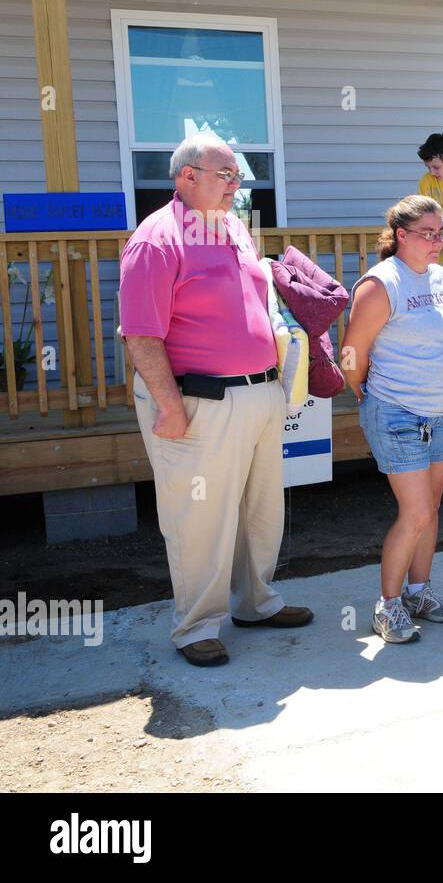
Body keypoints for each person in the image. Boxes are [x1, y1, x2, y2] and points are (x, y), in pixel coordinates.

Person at [119, 133, 312, 667]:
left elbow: (259, 303)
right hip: (198, 400)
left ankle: (256, 602)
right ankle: (196, 626)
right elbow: (141, 336)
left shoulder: (233, 228)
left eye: (238, 174)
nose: (238, 184)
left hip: (259, 393)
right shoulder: (157, 240)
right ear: (187, 177)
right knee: (198, 517)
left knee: (260, 511)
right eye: (226, 174)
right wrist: (170, 406)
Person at [342, 195, 443, 644]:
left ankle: (418, 591)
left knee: (430, 510)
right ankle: (388, 606)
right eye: (427, 233)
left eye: (441, 233)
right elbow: (352, 354)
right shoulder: (380, 284)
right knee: (413, 512)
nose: (436, 241)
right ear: (400, 236)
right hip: (396, 413)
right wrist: (365, 393)